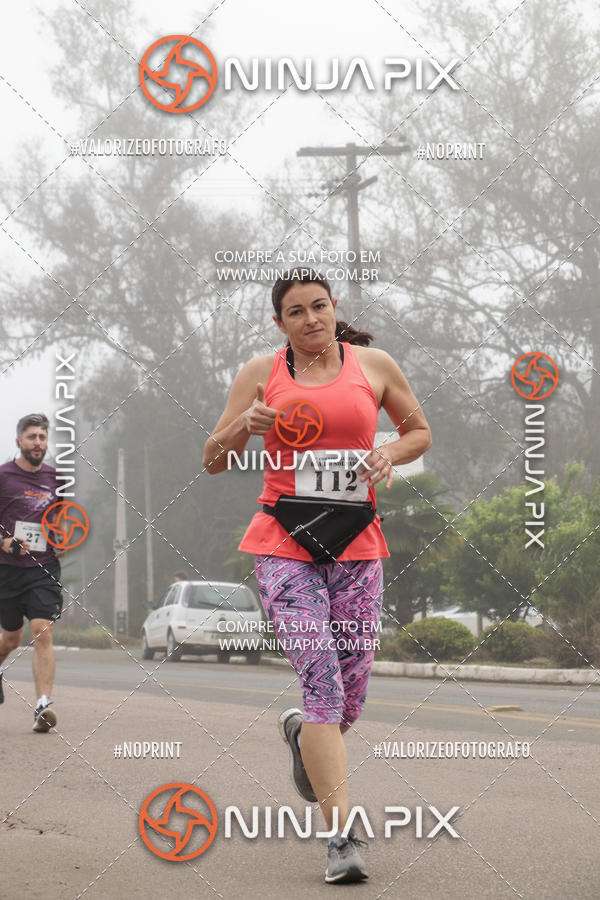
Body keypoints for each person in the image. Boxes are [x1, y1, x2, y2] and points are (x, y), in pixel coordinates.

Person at [203, 269, 431, 883]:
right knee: (324, 683)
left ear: (334, 310)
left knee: (347, 696)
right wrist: (240, 429)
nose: (311, 319)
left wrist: (388, 452)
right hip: (283, 541)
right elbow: (212, 458)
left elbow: (419, 431)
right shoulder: (261, 373)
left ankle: (305, 733)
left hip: (356, 542)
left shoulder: (374, 365)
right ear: (280, 323)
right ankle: (341, 841)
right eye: (296, 312)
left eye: (319, 307)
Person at [0, 413, 65, 732]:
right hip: (8, 571)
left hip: (44, 568)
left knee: (43, 630)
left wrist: (63, 538)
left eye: (42, 437)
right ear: (19, 442)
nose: (38, 443)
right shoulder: (3, 476)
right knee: (11, 639)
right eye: (32, 437)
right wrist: (5, 541)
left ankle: (42, 706)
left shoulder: (57, 478)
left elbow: (61, 520)